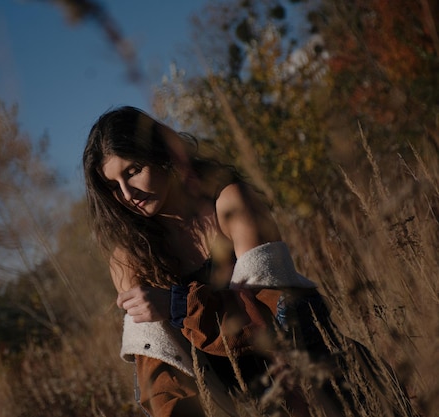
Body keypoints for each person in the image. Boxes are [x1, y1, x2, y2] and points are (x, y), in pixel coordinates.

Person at [82, 106, 415, 417]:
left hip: (325, 383)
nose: (128, 194)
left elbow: (269, 316)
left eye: (134, 171)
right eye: (113, 186)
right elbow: (161, 376)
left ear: (161, 155)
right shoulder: (129, 258)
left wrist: (178, 304)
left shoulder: (230, 203)